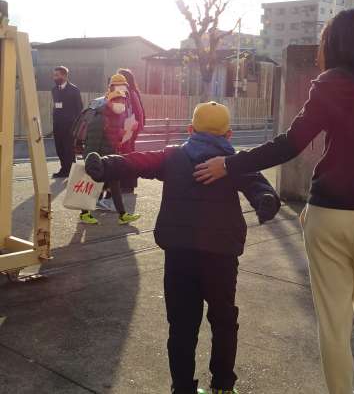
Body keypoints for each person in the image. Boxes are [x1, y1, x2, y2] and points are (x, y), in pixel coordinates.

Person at [193, 10, 354, 394]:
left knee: (333, 323)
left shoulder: (330, 85)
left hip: (328, 215)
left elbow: (290, 144)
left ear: (334, 46)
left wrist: (230, 164)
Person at [85, 101, 281, 394]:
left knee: (181, 326)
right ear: (228, 134)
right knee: (224, 320)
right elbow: (258, 185)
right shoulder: (233, 163)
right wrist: (266, 200)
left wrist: (107, 164)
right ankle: (223, 386)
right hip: (221, 255)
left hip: (179, 254)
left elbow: (139, 161)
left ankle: (182, 388)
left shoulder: (173, 156)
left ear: (190, 130)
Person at [80, 89, 140, 225]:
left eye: (123, 101)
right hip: (98, 160)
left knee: (115, 185)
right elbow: (92, 141)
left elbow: (111, 137)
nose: (121, 103)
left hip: (110, 158)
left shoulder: (116, 117)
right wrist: (90, 162)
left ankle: (122, 215)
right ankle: (84, 214)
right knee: (90, 186)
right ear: (109, 102)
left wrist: (123, 133)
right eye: (117, 100)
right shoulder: (100, 118)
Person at [51, 66, 83, 178]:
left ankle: (70, 171)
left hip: (70, 126)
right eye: (54, 75)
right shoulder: (54, 90)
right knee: (59, 148)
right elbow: (56, 106)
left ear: (64, 76)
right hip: (57, 125)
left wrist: (76, 125)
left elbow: (79, 108)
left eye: (57, 75)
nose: (54, 77)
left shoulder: (74, 90)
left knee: (68, 149)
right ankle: (64, 169)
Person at [118, 68, 146, 192]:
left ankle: (128, 184)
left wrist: (135, 127)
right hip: (125, 128)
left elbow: (139, 112)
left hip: (130, 128)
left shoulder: (131, 92)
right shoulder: (123, 91)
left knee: (128, 156)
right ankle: (126, 184)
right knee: (125, 155)